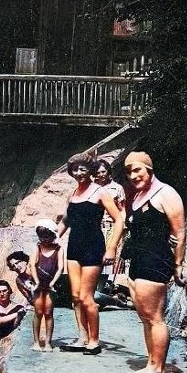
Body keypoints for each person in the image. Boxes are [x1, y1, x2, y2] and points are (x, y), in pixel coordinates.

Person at [122, 151, 186, 373]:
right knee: (144, 316)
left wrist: (178, 264)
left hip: (156, 260)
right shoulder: (139, 195)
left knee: (154, 316)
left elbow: (179, 232)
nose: (133, 175)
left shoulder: (166, 193)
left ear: (149, 169)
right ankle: (151, 363)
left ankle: (158, 369)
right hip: (138, 259)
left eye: (137, 169)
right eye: (129, 171)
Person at [57, 152, 124, 355]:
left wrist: (112, 247)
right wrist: (54, 237)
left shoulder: (100, 192)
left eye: (83, 169)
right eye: (75, 170)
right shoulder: (72, 194)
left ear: (91, 171)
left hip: (93, 246)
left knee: (87, 297)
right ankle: (82, 338)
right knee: (76, 297)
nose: (78, 173)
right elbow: (65, 221)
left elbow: (119, 220)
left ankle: (94, 341)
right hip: (74, 247)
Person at [28, 219, 65, 351]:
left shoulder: (58, 249)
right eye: (41, 237)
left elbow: (60, 267)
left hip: (51, 284)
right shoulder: (37, 247)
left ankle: (48, 342)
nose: (43, 240)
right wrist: (37, 281)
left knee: (48, 312)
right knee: (38, 311)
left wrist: (53, 283)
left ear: (52, 236)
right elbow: (32, 264)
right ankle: (36, 342)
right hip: (38, 283)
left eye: (46, 237)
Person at [94, 159, 126, 279]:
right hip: (95, 227)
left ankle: (106, 285)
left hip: (111, 226)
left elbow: (122, 209)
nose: (101, 175)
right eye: (98, 173)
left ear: (108, 171)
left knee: (109, 258)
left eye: (103, 171)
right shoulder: (92, 188)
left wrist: (122, 226)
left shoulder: (117, 188)